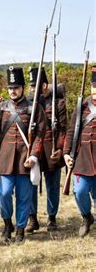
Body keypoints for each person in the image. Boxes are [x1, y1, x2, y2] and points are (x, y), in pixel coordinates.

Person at [0, 66, 46, 244]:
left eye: (16, 88)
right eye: (10, 88)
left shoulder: (33, 107)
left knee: (24, 196)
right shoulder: (1, 108)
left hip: (24, 160)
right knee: (4, 193)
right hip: (5, 160)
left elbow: (40, 135)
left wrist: (34, 156)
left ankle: (20, 228)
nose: (13, 91)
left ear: (22, 88)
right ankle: (7, 224)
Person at [27, 67, 67, 232]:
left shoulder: (58, 102)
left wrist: (59, 148)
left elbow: (63, 129)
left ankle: (52, 218)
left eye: (34, 85)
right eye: (30, 86)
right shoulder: (28, 104)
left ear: (44, 86)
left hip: (51, 148)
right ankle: (32, 219)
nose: (31, 89)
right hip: (35, 149)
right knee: (31, 184)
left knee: (52, 186)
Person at [63, 66, 96, 238]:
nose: (95, 89)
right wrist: (67, 153)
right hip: (82, 157)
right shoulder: (82, 106)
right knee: (80, 191)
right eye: (93, 86)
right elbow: (71, 131)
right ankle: (86, 217)